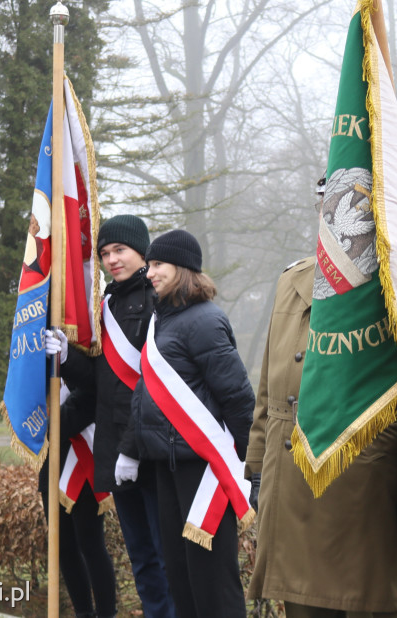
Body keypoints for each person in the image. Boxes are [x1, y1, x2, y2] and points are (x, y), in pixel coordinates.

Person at [245, 177, 397, 618]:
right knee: (301, 605)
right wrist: (257, 464)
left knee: (360, 603)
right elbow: (269, 387)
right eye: (328, 209)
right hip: (292, 475)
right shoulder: (292, 280)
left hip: (362, 483)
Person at [119, 229, 255, 618]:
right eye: (150, 265)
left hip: (203, 472)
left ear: (183, 269)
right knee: (180, 579)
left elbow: (239, 400)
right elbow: (147, 394)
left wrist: (253, 471)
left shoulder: (206, 320)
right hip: (167, 467)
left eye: (158, 265)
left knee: (213, 585)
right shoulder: (161, 321)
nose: (150, 273)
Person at [46, 214, 175, 618]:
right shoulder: (107, 306)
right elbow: (103, 384)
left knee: (166, 553)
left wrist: (134, 447)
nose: (112, 260)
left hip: (152, 451)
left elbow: (152, 386)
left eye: (120, 250)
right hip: (118, 454)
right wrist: (67, 358)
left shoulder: (161, 303)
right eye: (104, 254)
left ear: (142, 251)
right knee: (141, 558)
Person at [37, 406, 117, 618]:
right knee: (62, 546)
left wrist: (56, 421)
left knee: (90, 544)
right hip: (52, 454)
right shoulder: (45, 372)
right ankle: (83, 613)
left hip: (81, 453)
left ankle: (106, 614)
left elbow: (88, 397)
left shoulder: (78, 371)